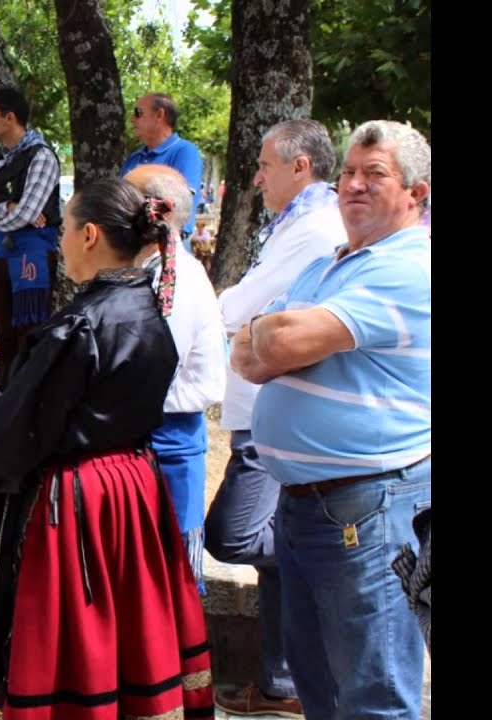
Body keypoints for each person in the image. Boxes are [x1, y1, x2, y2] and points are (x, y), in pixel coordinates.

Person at [0, 179, 212, 719]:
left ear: (90, 235)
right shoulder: (155, 312)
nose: (57, 241)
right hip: (134, 486)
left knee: (78, 634)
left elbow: (16, 427)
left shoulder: (79, 325)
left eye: (63, 229)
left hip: (77, 497)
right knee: (132, 622)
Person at [229, 120, 431, 720]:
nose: (354, 186)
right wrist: (270, 339)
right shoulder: (330, 264)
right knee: (318, 690)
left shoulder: (409, 266)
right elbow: (247, 355)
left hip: (368, 511)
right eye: (347, 172)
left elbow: (279, 340)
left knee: (372, 697)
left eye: (376, 174)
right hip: (310, 508)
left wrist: (274, 337)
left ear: (417, 193)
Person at [208, 118, 346, 719]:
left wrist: (209, 313)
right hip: (259, 412)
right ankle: (280, 683)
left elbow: (243, 304)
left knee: (234, 536)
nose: (255, 176)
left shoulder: (315, 228)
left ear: (300, 167)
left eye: (264, 165)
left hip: (271, 417)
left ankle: (328, 554)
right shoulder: (298, 223)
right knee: (271, 565)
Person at [124, 165, 227, 593]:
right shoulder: (150, 272)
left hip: (167, 439)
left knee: (167, 585)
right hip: (147, 436)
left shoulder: (178, 277)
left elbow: (147, 369)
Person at [0, 87, 63, 389]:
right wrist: (9, 207)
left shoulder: (42, 156)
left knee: (30, 337)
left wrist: (4, 212)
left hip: (32, 256)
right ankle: (9, 401)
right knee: (6, 341)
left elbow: (26, 214)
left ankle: (29, 405)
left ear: (9, 118)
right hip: (3, 257)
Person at [121, 93, 205, 244]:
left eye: (138, 113)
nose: (132, 119)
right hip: (134, 247)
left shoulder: (185, 152)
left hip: (166, 247)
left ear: (160, 114)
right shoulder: (134, 158)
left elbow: (178, 206)